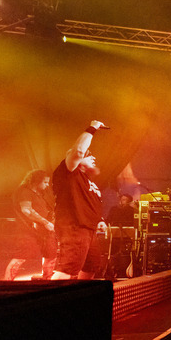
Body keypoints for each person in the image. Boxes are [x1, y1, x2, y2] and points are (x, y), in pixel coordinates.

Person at [50, 120, 108, 280]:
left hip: (89, 229)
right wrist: (93, 127)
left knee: (92, 265)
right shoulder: (69, 172)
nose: (93, 158)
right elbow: (78, 152)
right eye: (89, 155)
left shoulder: (88, 181)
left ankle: (77, 298)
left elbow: (89, 204)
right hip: (74, 226)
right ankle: (50, 301)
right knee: (68, 268)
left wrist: (100, 220)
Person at [4, 169, 56, 280]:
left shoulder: (41, 194)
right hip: (28, 231)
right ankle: (7, 282)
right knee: (22, 255)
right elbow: (27, 210)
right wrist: (45, 222)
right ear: (36, 181)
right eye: (45, 182)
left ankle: (46, 280)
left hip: (45, 231)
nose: (47, 185)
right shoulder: (24, 192)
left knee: (51, 254)